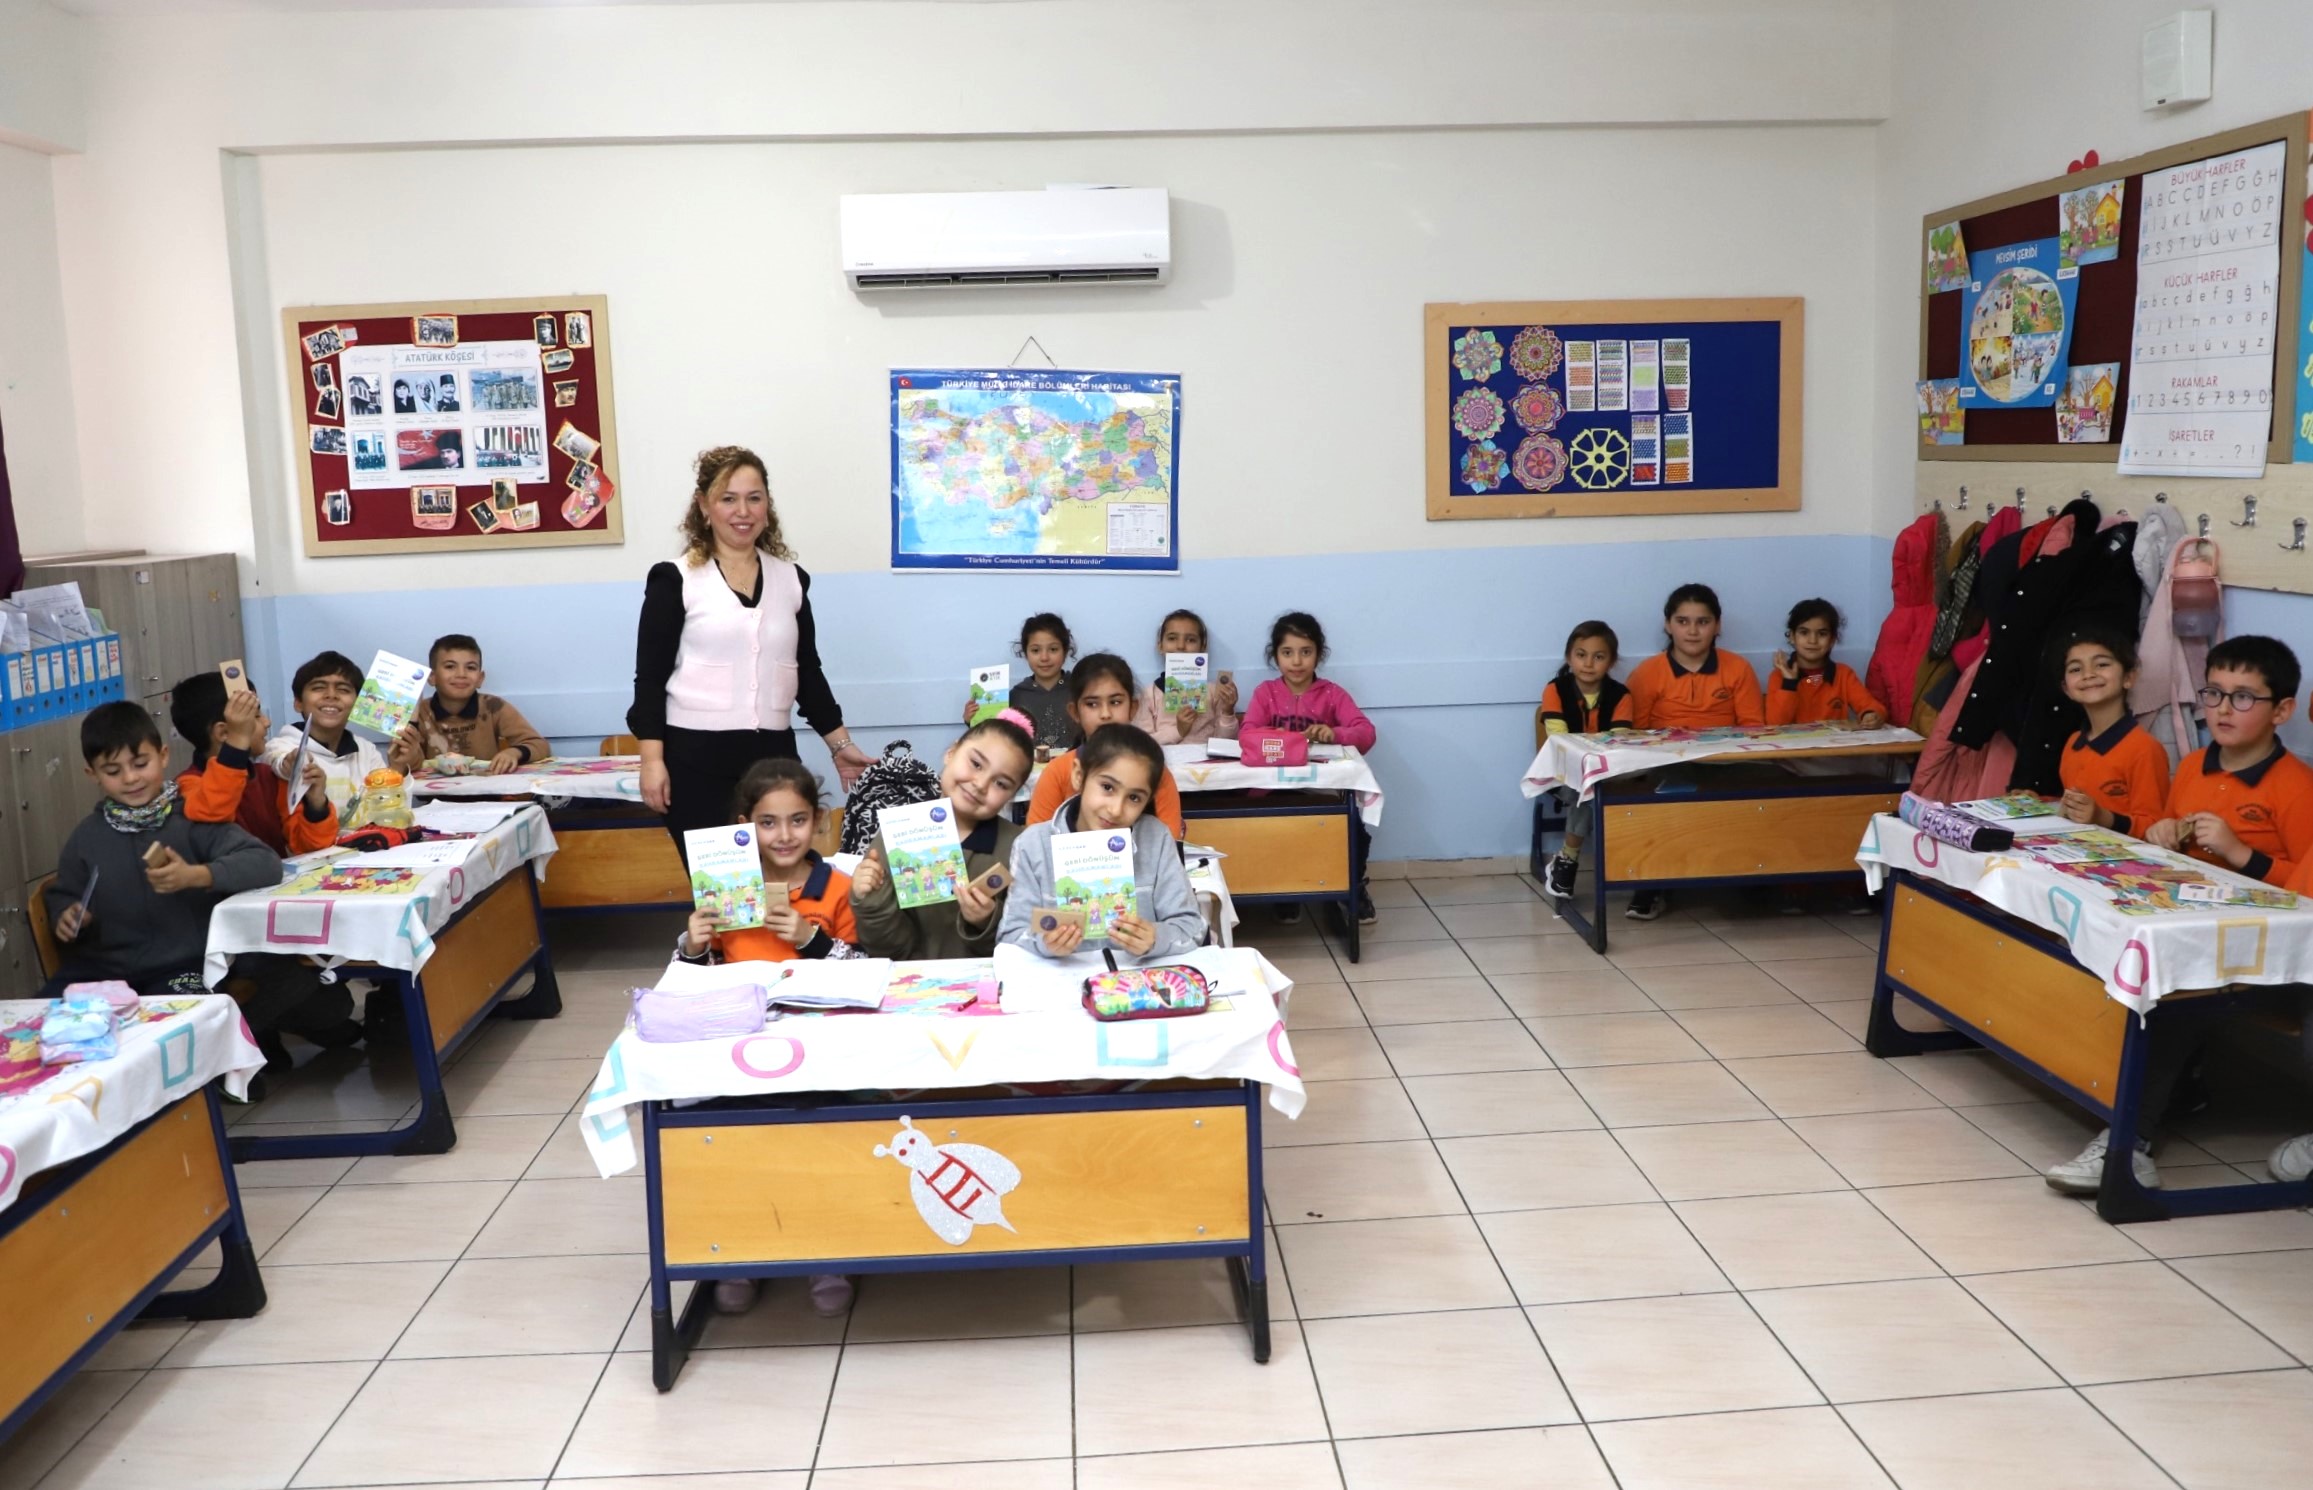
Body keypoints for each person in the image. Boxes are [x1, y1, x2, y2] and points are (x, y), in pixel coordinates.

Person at [2045, 636, 2313, 1194]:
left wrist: (2242, 855)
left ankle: (2129, 1141)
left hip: (2261, 951)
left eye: (2244, 698)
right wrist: (2164, 833)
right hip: (2188, 923)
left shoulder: (2296, 786)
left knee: (2168, 995)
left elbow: (2302, 895)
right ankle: (2120, 1105)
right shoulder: (2192, 765)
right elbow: (2166, 840)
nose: (2223, 709)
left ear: (2283, 710)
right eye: (2213, 693)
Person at [627, 445, 871, 856]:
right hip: (694, 765)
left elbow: (806, 672)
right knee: (725, 886)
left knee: (785, 877)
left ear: (767, 506)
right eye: (728, 499)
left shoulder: (791, 580)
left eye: (754, 498)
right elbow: (649, 679)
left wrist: (841, 747)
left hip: (774, 765)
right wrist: (652, 762)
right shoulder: (675, 579)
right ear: (704, 506)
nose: (743, 511)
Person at [42, 703, 282, 998]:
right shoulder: (87, 836)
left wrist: (197, 875)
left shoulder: (192, 818)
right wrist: (65, 915)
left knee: (178, 1015)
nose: (130, 778)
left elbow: (266, 863)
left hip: (185, 966)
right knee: (37, 1019)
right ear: (93, 774)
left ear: (163, 756)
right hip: (103, 972)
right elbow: (64, 894)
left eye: (141, 764)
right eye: (113, 771)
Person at [1001, 724, 1207, 961]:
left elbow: (1192, 927)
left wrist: (1155, 938)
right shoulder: (1032, 845)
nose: (1116, 809)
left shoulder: (1156, 839)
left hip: (1136, 978)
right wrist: (1044, 943)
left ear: (1148, 800)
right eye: (1107, 787)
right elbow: (1010, 936)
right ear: (1079, 776)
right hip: (1064, 979)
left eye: (1134, 798)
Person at [851, 714, 1034, 959]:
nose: (980, 784)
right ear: (951, 752)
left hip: (984, 980)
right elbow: (886, 950)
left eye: (1001, 784)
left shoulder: (1018, 849)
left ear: (1013, 795)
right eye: (976, 764)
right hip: (907, 977)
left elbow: (1023, 949)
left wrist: (987, 921)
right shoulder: (899, 834)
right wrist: (869, 899)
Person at [1242, 610, 1378, 925]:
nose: (1297, 661)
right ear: (1275, 655)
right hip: (1273, 790)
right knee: (1273, 830)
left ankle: (1353, 886)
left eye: (1306, 652)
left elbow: (1366, 733)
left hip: (1322, 790)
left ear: (1319, 654)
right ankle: (1285, 891)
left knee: (1354, 829)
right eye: (1287, 652)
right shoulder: (1266, 693)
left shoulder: (1332, 694)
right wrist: (1275, 735)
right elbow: (1247, 734)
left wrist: (1335, 734)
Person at [170, 671, 338, 856]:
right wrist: (238, 740)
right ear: (224, 733)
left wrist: (316, 806)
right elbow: (215, 813)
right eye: (256, 716)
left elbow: (310, 848)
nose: (267, 722)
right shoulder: (187, 785)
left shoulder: (268, 777)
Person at [1026, 654, 1185, 837]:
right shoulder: (1057, 772)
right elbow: (1036, 842)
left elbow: (1169, 841)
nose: (1105, 714)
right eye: (1092, 704)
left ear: (1132, 708)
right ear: (1075, 712)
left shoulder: (1156, 772)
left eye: (1115, 702)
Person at [1537, 621, 1634, 901]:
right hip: (1563, 770)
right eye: (1581, 655)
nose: (1589, 664)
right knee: (1586, 791)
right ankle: (1568, 860)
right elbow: (1560, 741)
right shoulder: (1555, 690)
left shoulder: (1621, 695)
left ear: (1611, 662)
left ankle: (1630, 863)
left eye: (1598, 656)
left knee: (1611, 784)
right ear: (1569, 657)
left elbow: (1617, 743)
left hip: (1605, 769)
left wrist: (1597, 761)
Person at [2054, 628, 2170, 834]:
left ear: (2129, 677)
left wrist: (2104, 818)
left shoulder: (2144, 749)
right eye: (2075, 669)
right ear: (2066, 689)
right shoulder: (2073, 743)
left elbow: (2156, 828)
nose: (2088, 674)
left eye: (2102, 664)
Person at [386, 633, 552, 775]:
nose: (461, 674)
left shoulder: (494, 707)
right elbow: (407, 767)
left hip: (488, 794)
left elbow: (539, 745)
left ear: (480, 678)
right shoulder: (417, 712)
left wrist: (515, 752)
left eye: (471, 668)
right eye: (450, 666)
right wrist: (408, 755)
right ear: (432, 677)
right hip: (435, 796)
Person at [261, 650, 389, 813]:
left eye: (343, 689)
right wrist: (290, 765)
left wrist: (399, 769)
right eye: (318, 688)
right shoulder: (280, 746)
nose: (331, 695)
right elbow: (278, 762)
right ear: (298, 702)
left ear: (358, 705)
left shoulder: (367, 751)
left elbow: (387, 809)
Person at [967, 612, 1077, 752]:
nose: (1044, 657)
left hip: (1075, 764)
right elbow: (996, 736)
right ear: (1025, 653)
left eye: (1053, 649)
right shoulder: (1015, 696)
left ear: (1065, 651)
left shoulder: (1079, 690)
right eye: (1035, 650)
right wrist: (972, 718)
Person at [1765, 599, 1886, 727]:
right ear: (1792, 637)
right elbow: (1775, 724)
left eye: (1822, 634)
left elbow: (1871, 706)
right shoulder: (1778, 676)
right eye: (1804, 632)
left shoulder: (1843, 674)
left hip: (1836, 740)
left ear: (1832, 639)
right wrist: (1789, 683)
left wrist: (1871, 715)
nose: (1813, 640)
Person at [1132, 608, 1240, 745]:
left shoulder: (1214, 693)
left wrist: (1228, 712)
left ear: (1203, 647)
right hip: (1165, 758)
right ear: (1160, 646)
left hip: (1205, 758)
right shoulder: (1149, 695)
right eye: (1172, 638)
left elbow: (1226, 743)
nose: (1181, 646)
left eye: (1191, 640)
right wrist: (1178, 730)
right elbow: (1143, 744)